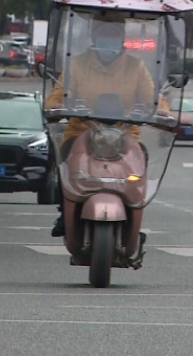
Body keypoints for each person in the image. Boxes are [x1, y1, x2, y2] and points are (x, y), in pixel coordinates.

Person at [44, 16, 169, 237]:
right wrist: (55, 106)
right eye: (104, 34)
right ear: (93, 36)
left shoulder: (136, 67)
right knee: (63, 161)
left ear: (122, 38)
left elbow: (153, 97)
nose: (109, 39)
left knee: (140, 162)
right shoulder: (77, 64)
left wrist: (162, 111)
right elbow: (57, 96)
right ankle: (66, 213)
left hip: (125, 135)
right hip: (82, 132)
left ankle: (133, 216)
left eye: (114, 34)